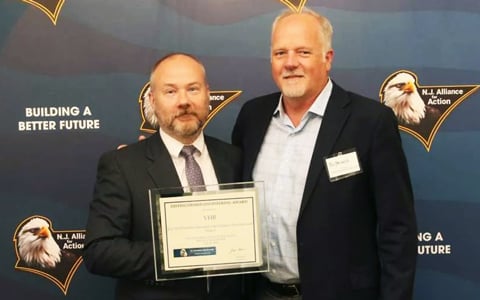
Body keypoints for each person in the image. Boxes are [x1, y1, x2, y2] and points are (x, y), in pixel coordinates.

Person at [231, 8, 417, 300]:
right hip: (262, 292)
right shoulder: (252, 117)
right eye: (280, 53)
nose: (290, 63)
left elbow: (398, 228)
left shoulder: (370, 121)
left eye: (303, 52)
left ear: (327, 59)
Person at [84, 53, 243, 300]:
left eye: (193, 89)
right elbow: (99, 251)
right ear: (152, 100)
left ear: (208, 94)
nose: (184, 101)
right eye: (170, 92)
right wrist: (179, 253)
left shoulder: (233, 158)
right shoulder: (122, 164)